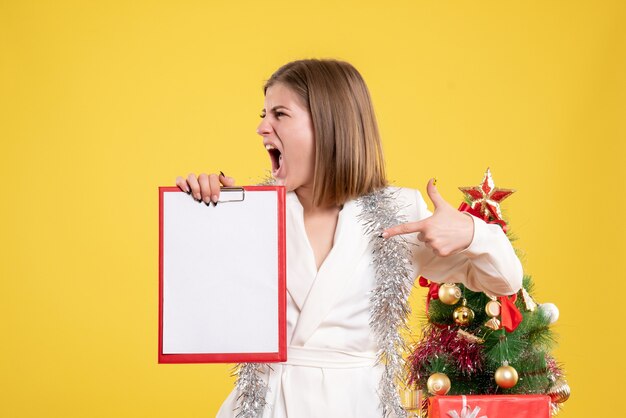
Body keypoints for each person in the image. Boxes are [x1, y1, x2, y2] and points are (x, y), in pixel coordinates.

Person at [176, 59, 523, 418]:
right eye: (263, 114)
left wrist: (471, 233)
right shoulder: (252, 212)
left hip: (358, 406)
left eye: (279, 114)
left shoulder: (401, 212)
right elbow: (201, 305)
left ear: (329, 125)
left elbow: (504, 280)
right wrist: (205, 218)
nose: (262, 127)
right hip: (262, 407)